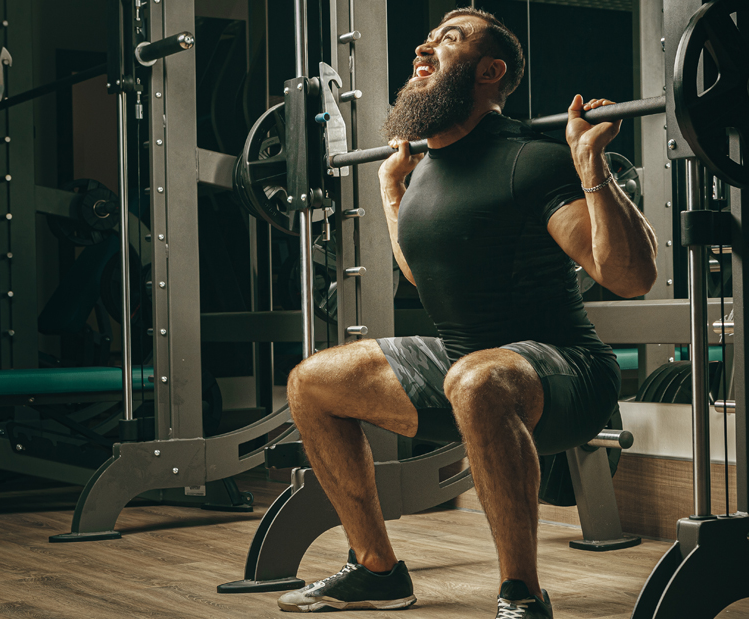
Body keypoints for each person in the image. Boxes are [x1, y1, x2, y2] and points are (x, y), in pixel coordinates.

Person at [276, 7, 658, 617]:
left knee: (477, 379)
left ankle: (522, 591)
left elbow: (630, 278)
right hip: (463, 369)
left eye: (447, 41)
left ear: (490, 70)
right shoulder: (424, 169)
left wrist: (592, 169)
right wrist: (390, 192)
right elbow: (421, 268)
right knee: (312, 383)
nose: (424, 51)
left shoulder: (533, 159)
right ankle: (376, 570)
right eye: (425, 41)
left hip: (568, 374)